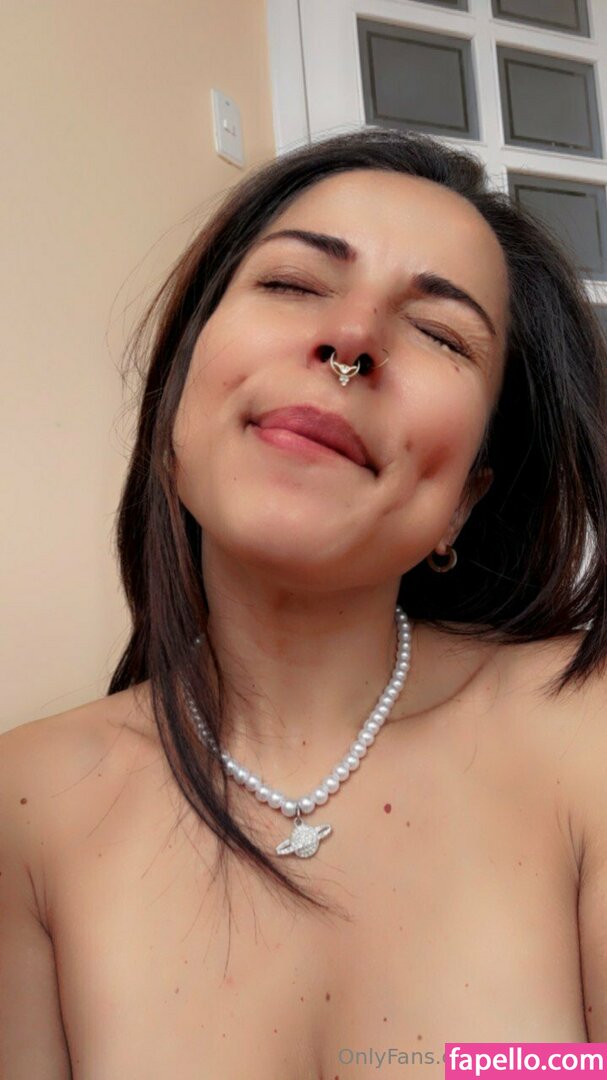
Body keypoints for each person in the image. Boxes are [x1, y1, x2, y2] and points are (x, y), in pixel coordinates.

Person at [2, 127, 607, 1079]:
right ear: (177, 399)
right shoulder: (24, 810)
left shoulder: (584, 734)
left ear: (465, 498)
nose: (351, 343)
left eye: (440, 333)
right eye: (291, 284)